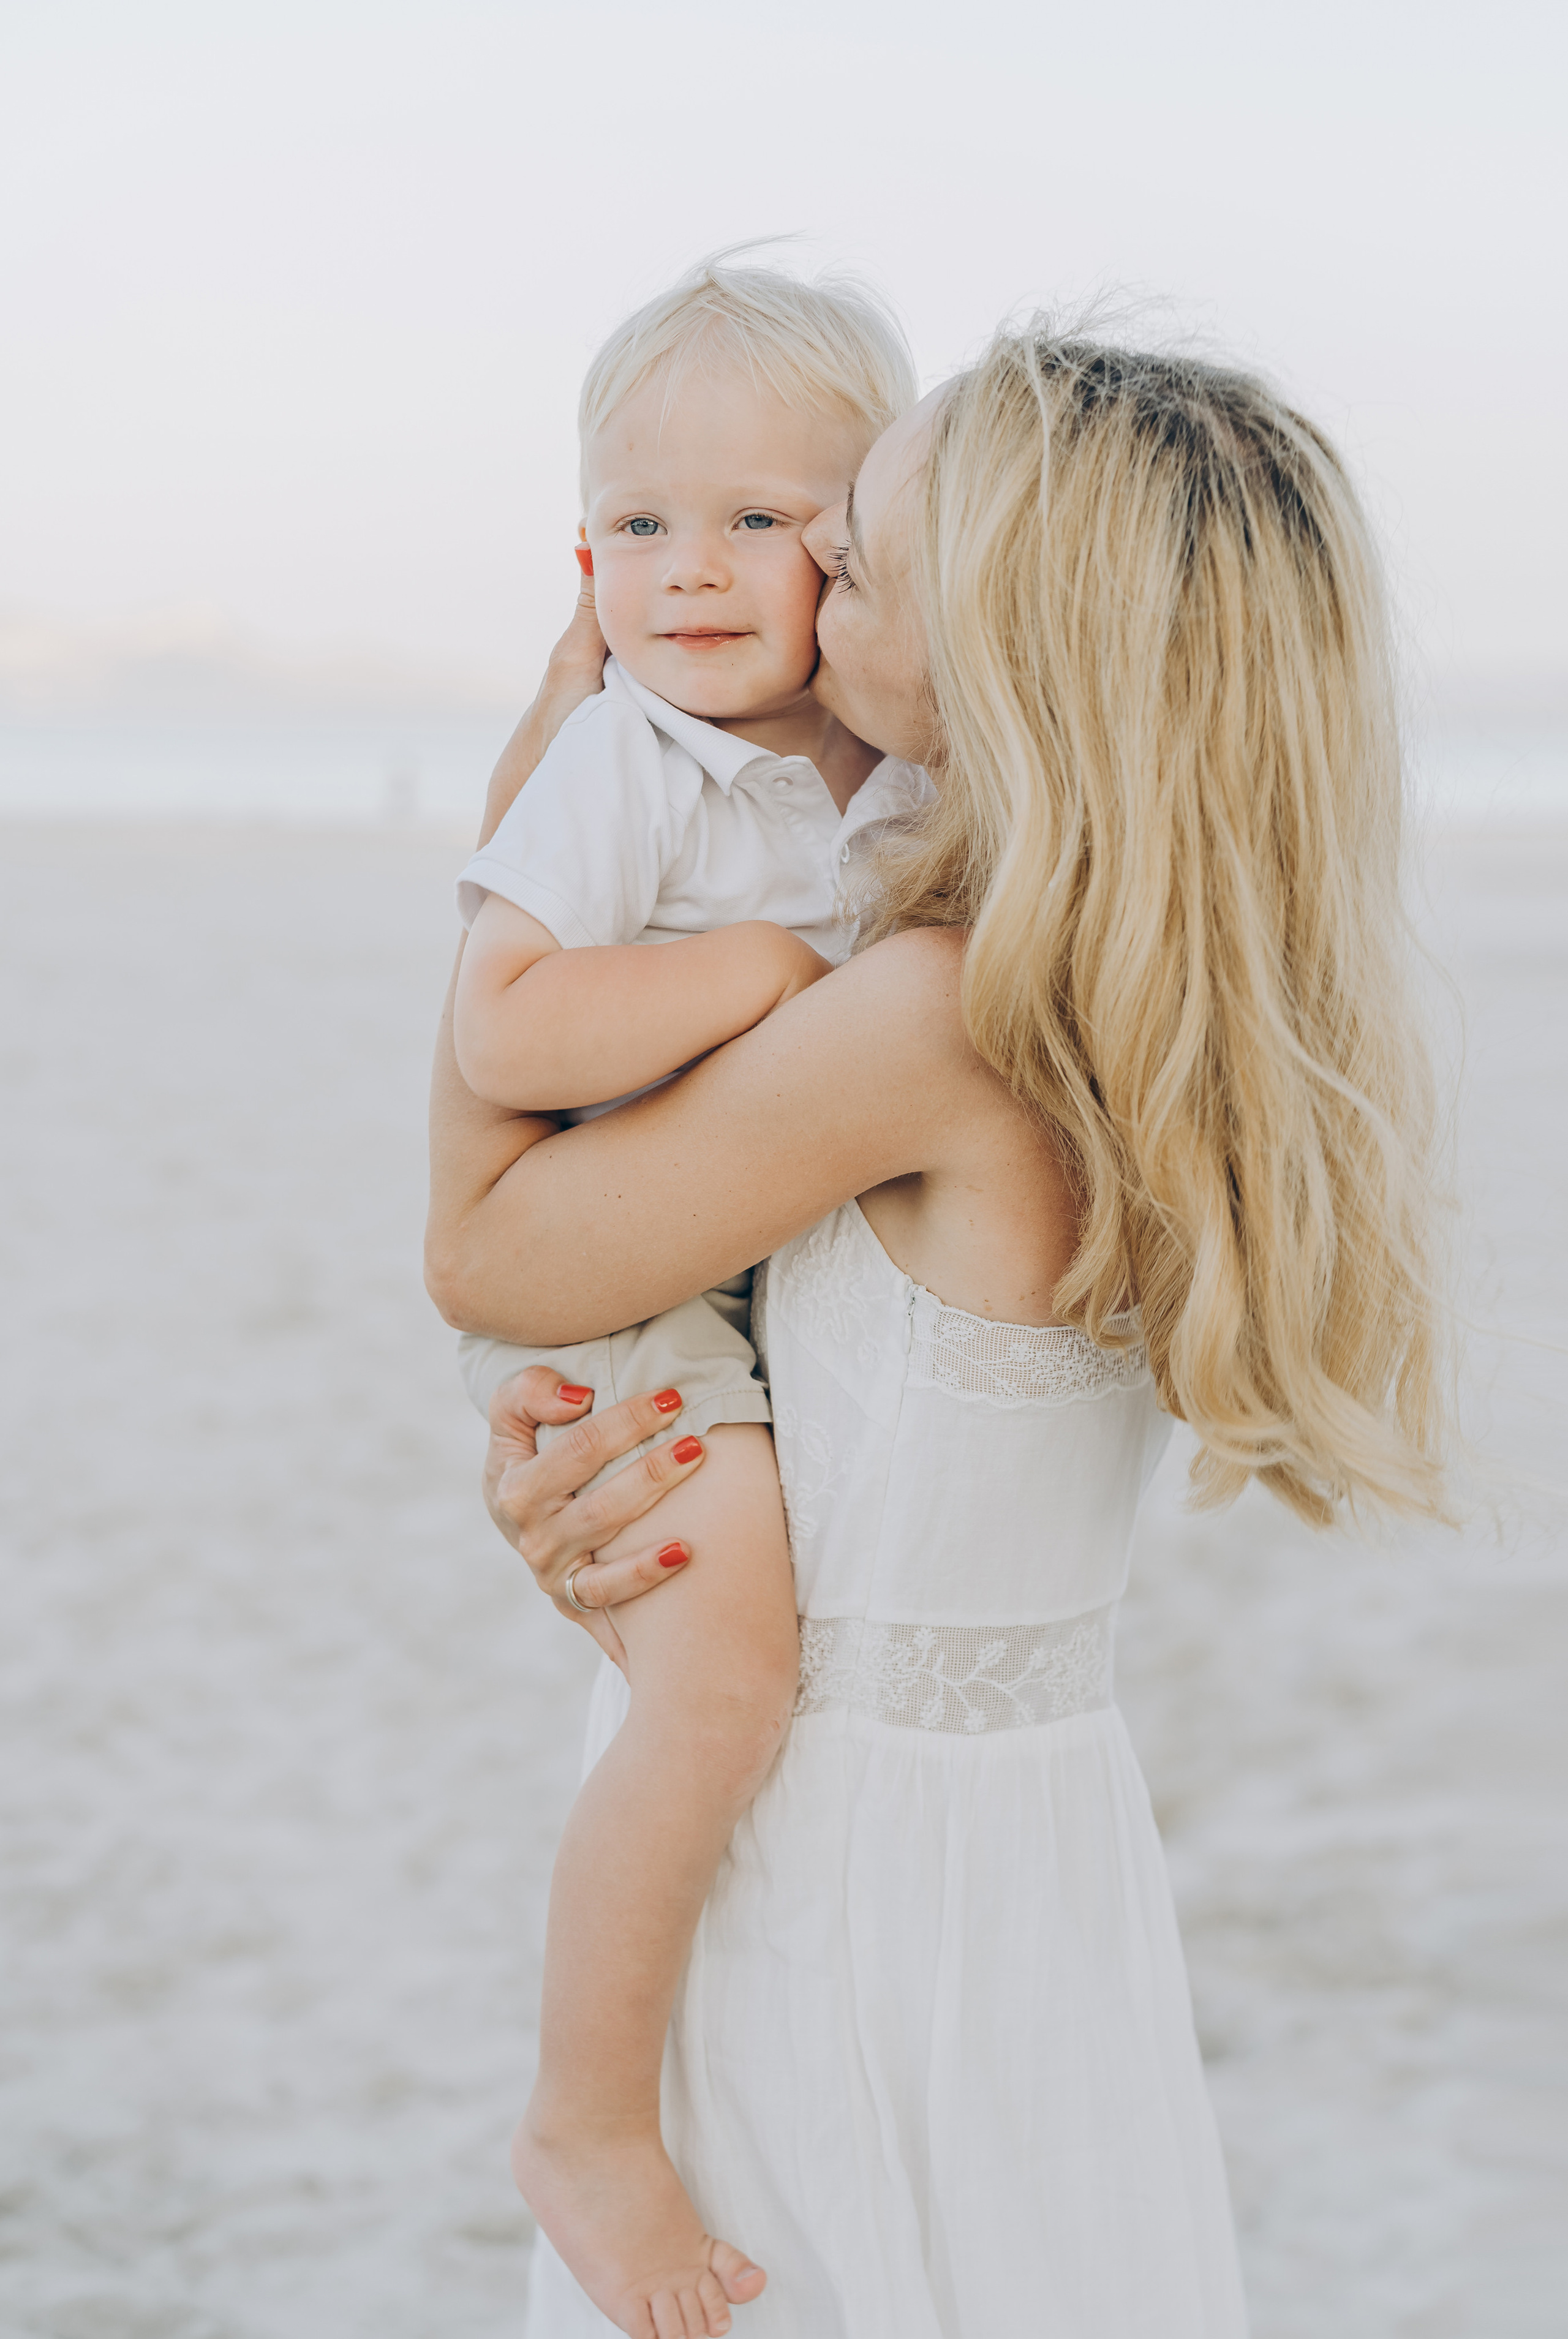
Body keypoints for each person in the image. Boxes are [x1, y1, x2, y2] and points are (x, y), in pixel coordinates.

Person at [428, 325, 1451, 2339]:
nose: (806, 586)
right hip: (1040, 1856)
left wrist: (520, 835)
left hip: (836, 1878)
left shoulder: (929, 1021)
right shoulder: (1154, 1000)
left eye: (860, 559)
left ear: (999, 650)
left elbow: (488, 1250)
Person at [447, 257, 925, 2337]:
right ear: (583, 559)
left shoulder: (892, 774)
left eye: (760, 520)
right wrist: (758, 978)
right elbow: (506, 1028)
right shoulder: (627, 761)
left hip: (768, 1274)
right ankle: (586, 2122)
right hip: (625, 1299)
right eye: (641, 524)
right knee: (722, 1683)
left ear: (871, 550)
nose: (695, 570)